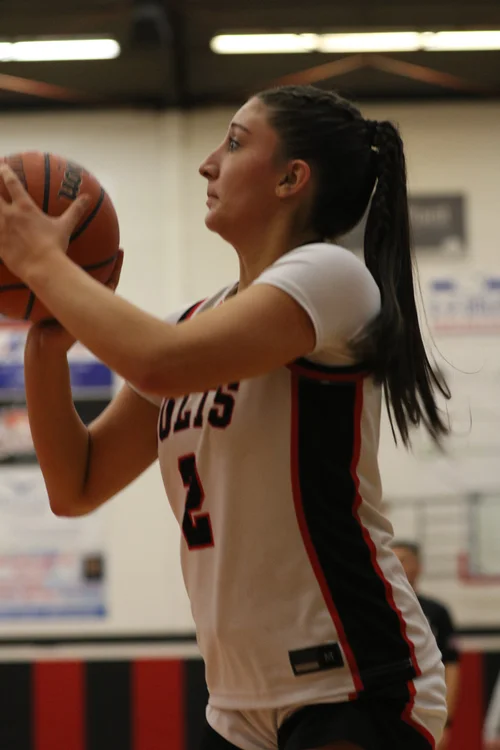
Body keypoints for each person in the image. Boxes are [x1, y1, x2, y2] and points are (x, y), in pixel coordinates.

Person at [0, 84, 450, 750]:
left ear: (291, 179)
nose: (207, 163)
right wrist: (46, 336)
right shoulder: (196, 322)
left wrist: (41, 261)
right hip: (238, 701)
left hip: (353, 678)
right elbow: (77, 485)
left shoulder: (333, 276)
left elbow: (159, 362)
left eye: (235, 143)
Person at [391, 541, 461, 750]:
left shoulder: (436, 612)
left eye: (403, 560)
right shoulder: (377, 610)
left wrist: (447, 720)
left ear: (418, 566)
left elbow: (452, 666)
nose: (396, 565)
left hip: (425, 708)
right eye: (391, 559)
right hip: (387, 710)